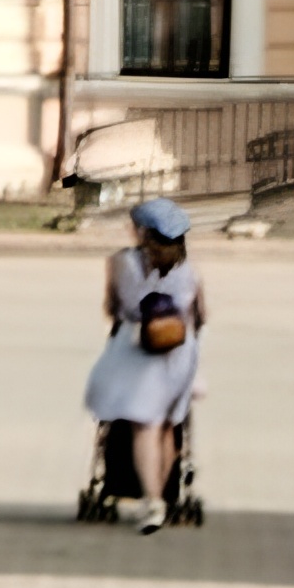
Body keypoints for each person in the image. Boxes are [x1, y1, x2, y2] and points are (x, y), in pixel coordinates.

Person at [83, 195, 203, 536]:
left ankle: (152, 501)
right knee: (168, 427)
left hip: (136, 350)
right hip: (180, 351)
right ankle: (163, 496)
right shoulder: (188, 271)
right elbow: (201, 315)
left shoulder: (120, 263)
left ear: (143, 233)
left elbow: (111, 307)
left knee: (143, 426)